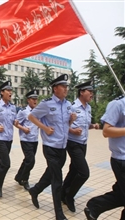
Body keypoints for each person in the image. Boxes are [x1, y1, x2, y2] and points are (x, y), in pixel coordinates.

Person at [27, 74, 76, 220]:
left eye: (67, 86)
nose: (66, 89)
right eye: (63, 86)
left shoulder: (68, 105)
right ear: (55, 89)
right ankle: (59, 214)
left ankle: (35, 190)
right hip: (50, 147)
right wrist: (45, 128)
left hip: (62, 147)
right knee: (57, 179)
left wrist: (71, 121)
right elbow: (31, 117)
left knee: (51, 174)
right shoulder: (46, 104)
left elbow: (64, 125)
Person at [84, 94, 125, 220]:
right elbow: (106, 131)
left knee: (121, 195)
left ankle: (95, 206)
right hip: (122, 159)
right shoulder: (118, 104)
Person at [61, 81, 99, 212]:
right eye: (90, 91)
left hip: (83, 143)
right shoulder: (72, 107)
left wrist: (92, 126)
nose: (92, 94)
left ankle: (62, 193)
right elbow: (63, 124)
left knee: (74, 170)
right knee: (84, 173)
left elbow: (84, 125)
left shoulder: (88, 107)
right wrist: (72, 131)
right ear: (82, 92)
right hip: (73, 143)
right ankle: (69, 196)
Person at [14, 90, 39, 191]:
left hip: (35, 139)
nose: (35, 101)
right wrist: (23, 128)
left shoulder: (37, 111)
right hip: (25, 139)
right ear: (28, 100)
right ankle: (24, 179)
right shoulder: (23, 111)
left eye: (36, 99)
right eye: (33, 99)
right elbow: (15, 123)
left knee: (27, 160)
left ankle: (19, 176)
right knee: (30, 161)